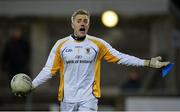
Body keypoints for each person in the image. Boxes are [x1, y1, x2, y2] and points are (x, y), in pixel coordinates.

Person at [14, 9, 170, 111]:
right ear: (72, 24)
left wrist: (147, 62)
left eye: (85, 21)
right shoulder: (61, 45)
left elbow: (120, 57)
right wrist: (32, 85)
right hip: (67, 99)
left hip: (88, 99)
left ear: (88, 25)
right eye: (79, 20)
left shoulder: (98, 44)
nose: (82, 23)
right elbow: (49, 70)